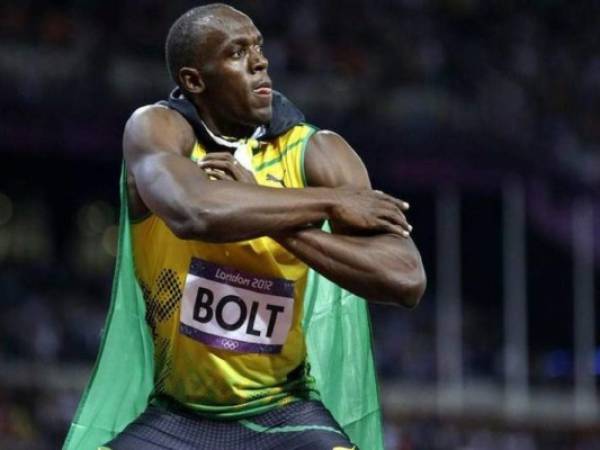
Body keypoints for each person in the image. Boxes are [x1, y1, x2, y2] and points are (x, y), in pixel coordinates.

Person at [100, 3, 426, 449]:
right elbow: (194, 212)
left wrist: (284, 226)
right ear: (194, 80)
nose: (260, 61)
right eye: (237, 52)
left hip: (285, 416)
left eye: (258, 46)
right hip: (176, 419)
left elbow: (406, 279)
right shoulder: (156, 130)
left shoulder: (319, 152)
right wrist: (331, 202)